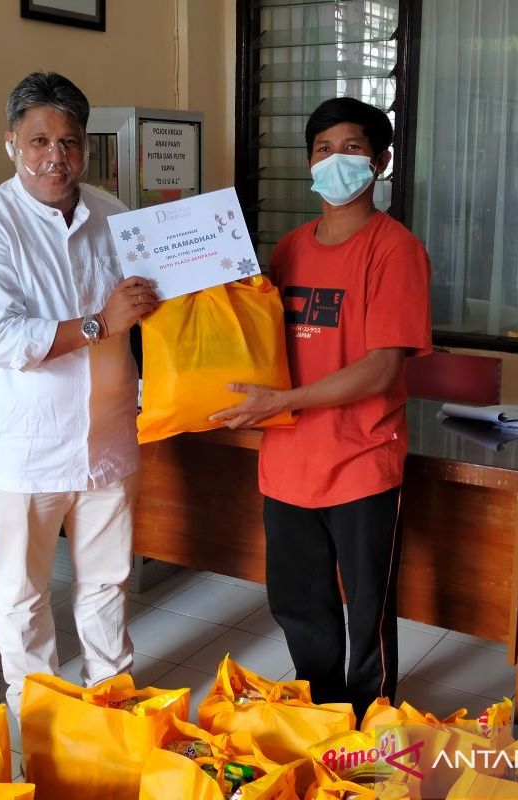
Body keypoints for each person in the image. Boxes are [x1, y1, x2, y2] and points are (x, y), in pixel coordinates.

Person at [0, 72, 158, 716]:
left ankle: (112, 706)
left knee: (107, 581)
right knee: (23, 590)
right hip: (24, 448)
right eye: (39, 140)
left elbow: (149, 300)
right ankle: (41, 714)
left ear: (87, 146)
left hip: (107, 438)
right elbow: (5, 339)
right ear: (10, 142)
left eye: (69, 141)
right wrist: (100, 322)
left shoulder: (114, 215)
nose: (54, 157)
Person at [210, 97, 432, 714]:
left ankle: (370, 721)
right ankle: (322, 713)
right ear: (308, 162)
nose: (337, 161)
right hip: (287, 460)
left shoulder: (395, 250)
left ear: (381, 162)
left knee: (366, 610)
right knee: (299, 603)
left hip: (361, 461)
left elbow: (382, 366)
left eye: (353, 149)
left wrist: (285, 399)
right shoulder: (289, 249)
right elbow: (260, 338)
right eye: (323, 149)